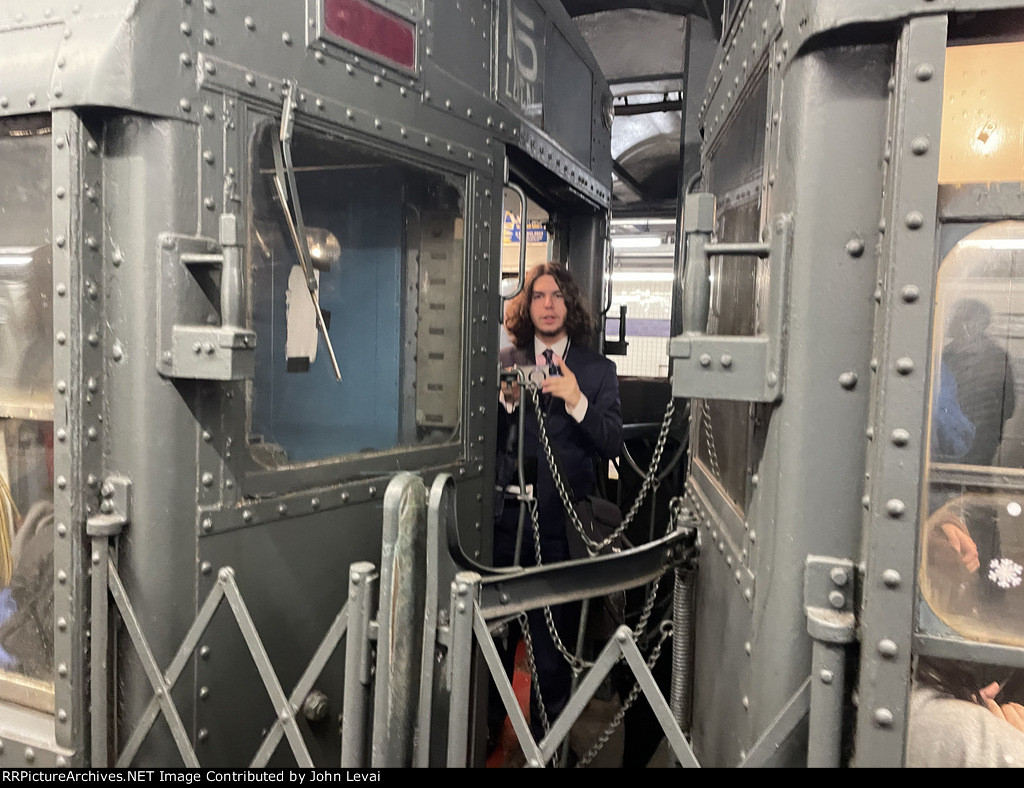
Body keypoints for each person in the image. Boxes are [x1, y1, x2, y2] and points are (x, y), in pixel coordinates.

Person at [490, 262, 622, 752]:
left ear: (571, 306)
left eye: (557, 296)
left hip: (559, 529)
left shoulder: (596, 371)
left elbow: (611, 445)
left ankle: (548, 751)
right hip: (505, 523)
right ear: (527, 306)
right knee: (492, 645)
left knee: (551, 653)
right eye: (538, 295)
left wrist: (577, 402)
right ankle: (482, 738)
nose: (547, 304)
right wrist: (504, 406)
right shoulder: (505, 358)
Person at [942, 298, 1017, 466]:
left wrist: (985, 429)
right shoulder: (946, 355)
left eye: (960, 318)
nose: (952, 322)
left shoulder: (996, 357)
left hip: (980, 442)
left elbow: (1008, 405)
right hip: (950, 440)